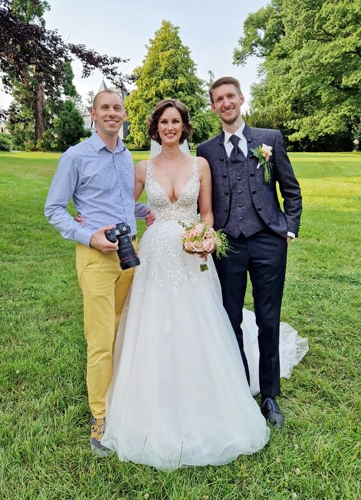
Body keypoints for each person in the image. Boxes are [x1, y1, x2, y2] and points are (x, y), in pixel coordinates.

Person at [100, 98, 306, 470]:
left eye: (176, 121)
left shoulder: (201, 164)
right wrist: (105, 215)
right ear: (155, 127)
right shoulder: (143, 167)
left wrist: (206, 238)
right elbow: (122, 205)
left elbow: (208, 211)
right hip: (157, 256)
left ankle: (216, 391)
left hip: (193, 253)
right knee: (155, 323)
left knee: (204, 321)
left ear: (184, 126)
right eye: (163, 121)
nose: (170, 127)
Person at [44, 89, 151, 456]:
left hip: (129, 254)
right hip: (96, 258)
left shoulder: (125, 157)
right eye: (105, 107)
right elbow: (54, 208)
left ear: (124, 115)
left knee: (124, 329)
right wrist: (88, 235)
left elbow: (120, 200)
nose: (112, 113)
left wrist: (143, 212)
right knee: (101, 338)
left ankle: (121, 397)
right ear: (93, 113)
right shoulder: (75, 156)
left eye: (117, 108)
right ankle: (101, 417)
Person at [197, 76, 303, 428]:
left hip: (268, 241)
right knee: (229, 318)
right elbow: (202, 200)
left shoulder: (269, 140)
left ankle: (269, 396)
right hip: (227, 245)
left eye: (231, 96)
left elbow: (291, 189)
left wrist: (289, 227)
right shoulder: (205, 151)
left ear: (241, 99)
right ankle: (239, 387)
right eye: (219, 99)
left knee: (267, 317)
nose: (226, 103)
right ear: (213, 107)